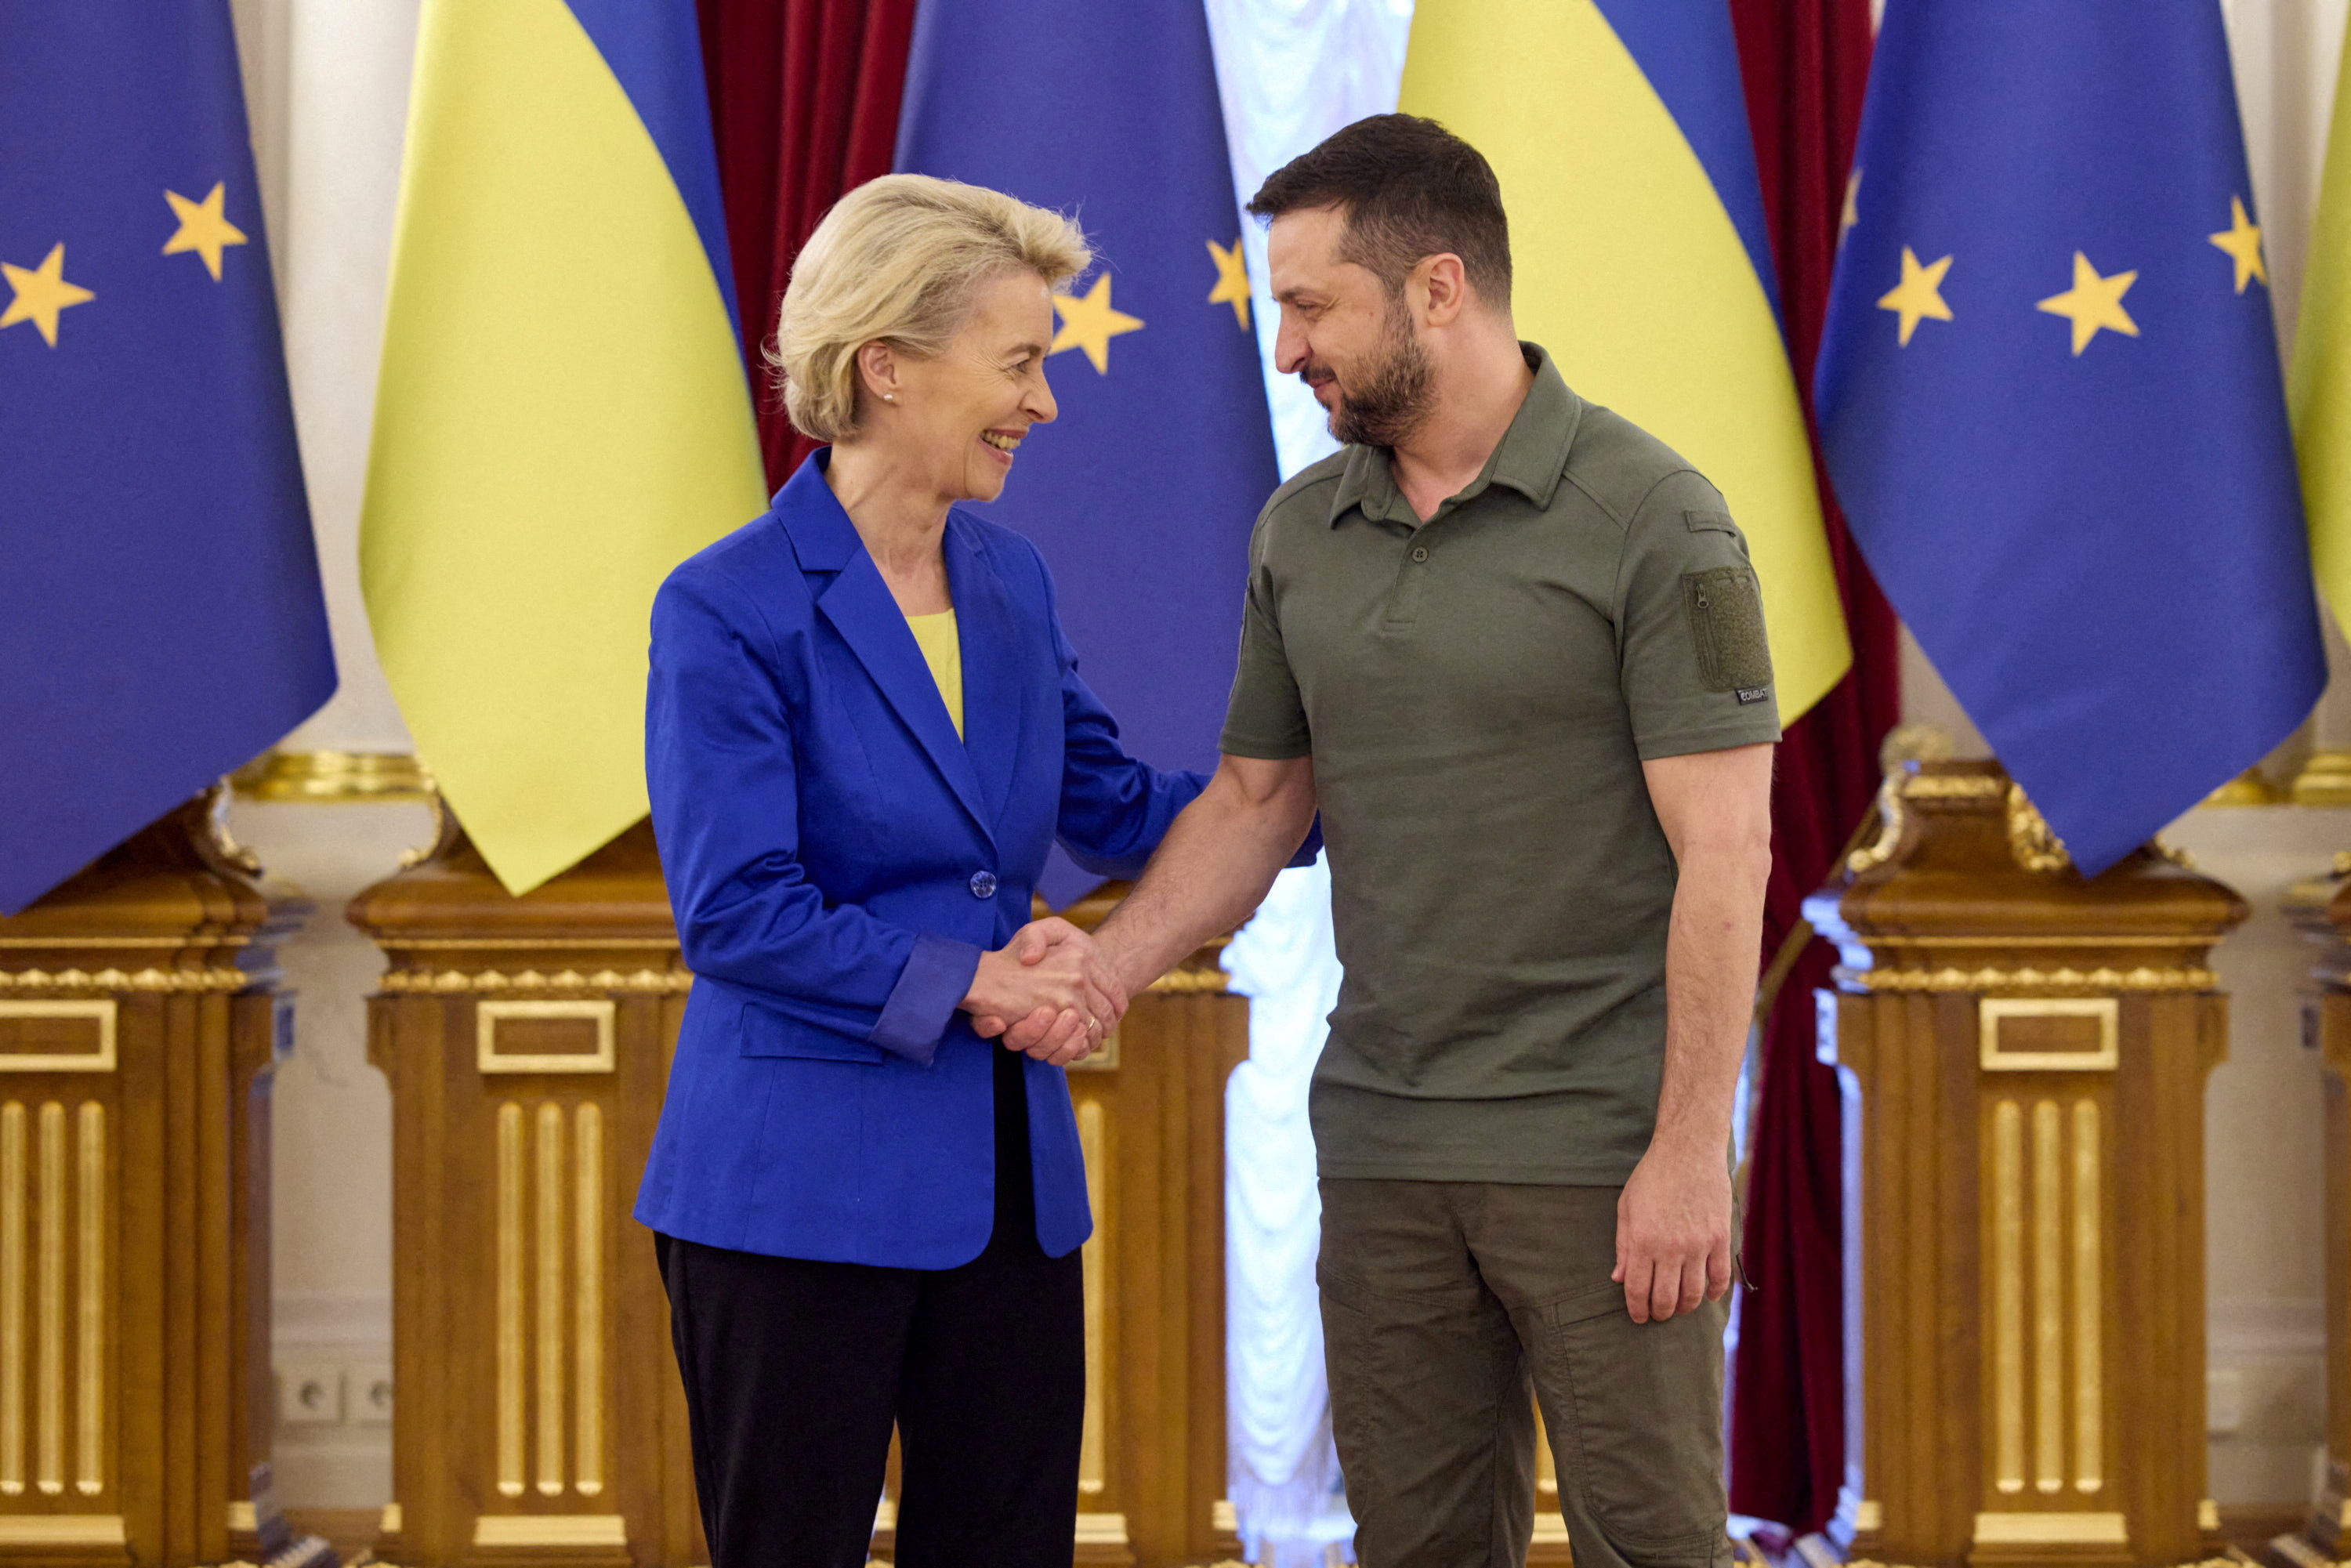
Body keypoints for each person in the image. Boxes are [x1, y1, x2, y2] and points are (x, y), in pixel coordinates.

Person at [1013, 114, 1780, 1568]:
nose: (1287, 347)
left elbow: (1729, 854)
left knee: (1658, 1547)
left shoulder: (1658, 519)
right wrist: (1106, 973)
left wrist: (1691, 1150)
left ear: (1437, 289)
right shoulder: (1301, 532)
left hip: (1603, 1155)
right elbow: (1257, 802)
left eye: (1311, 306)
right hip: (1380, 1146)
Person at [635, 173, 1204, 1568]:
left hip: (1007, 1198)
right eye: (1019, 364)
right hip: (792, 1200)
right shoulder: (725, 604)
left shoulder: (1012, 580)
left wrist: (1324, 777)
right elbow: (736, 909)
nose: (1044, 404)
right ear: (885, 366)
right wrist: (977, 984)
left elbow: (1114, 806)